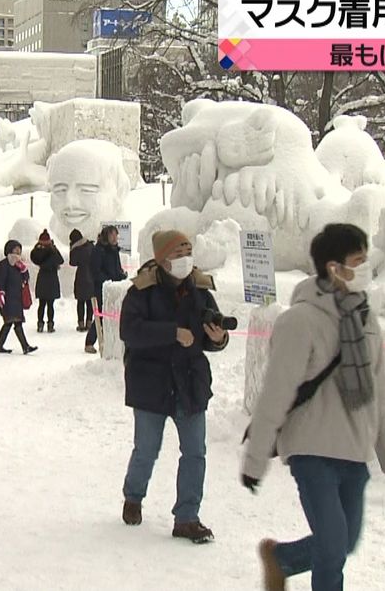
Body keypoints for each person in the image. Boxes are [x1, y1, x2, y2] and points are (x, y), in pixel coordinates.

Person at [242, 224, 385, 591]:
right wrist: (254, 461)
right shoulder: (299, 321)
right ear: (333, 268)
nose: (366, 267)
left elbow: (380, 394)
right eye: (358, 261)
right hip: (311, 450)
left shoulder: (366, 319)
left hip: (354, 451)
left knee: (345, 542)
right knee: (332, 545)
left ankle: (282, 559)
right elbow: (275, 393)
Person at [118, 230, 227, 545]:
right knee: (147, 449)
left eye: (188, 253)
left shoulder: (200, 288)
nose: (185, 260)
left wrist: (218, 338)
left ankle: (187, 518)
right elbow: (130, 331)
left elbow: (210, 333)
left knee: (195, 452)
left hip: (190, 382)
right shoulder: (142, 291)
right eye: (178, 254)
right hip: (151, 382)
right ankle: (134, 496)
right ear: (162, 258)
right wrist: (172, 333)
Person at [85, 225, 127, 354]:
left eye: (116, 235)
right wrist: (107, 280)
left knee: (115, 314)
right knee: (102, 316)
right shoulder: (99, 250)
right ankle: (89, 342)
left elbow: (116, 268)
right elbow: (95, 270)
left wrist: (122, 276)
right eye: (112, 235)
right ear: (106, 236)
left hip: (114, 288)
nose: (115, 238)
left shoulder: (114, 250)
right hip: (101, 288)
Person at [0, 240, 38, 355]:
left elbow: (26, 278)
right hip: (8, 298)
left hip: (17, 298)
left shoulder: (19, 263)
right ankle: (25, 346)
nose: (18, 251)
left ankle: (0, 346)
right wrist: (1, 293)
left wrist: (24, 270)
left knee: (10, 323)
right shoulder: (4, 264)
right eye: (15, 249)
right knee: (13, 322)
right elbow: (1, 280)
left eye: (19, 248)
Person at [29, 230, 64, 333]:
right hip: (51, 278)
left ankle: (40, 323)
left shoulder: (38, 251)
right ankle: (50, 324)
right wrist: (53, 249)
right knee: (50, 304)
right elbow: (60, 260)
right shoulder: (52, 251)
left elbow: (34, 258)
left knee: (42, 304)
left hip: (43, 278)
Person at [69, 229, 95, 331]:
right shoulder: (90, 246)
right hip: (91, 276)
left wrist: (71, 249)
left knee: (80, 302)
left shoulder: (76, 249)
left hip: (81, 277)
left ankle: (81, 324)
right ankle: (89, 322)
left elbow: (72, 262)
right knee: (89, 302)